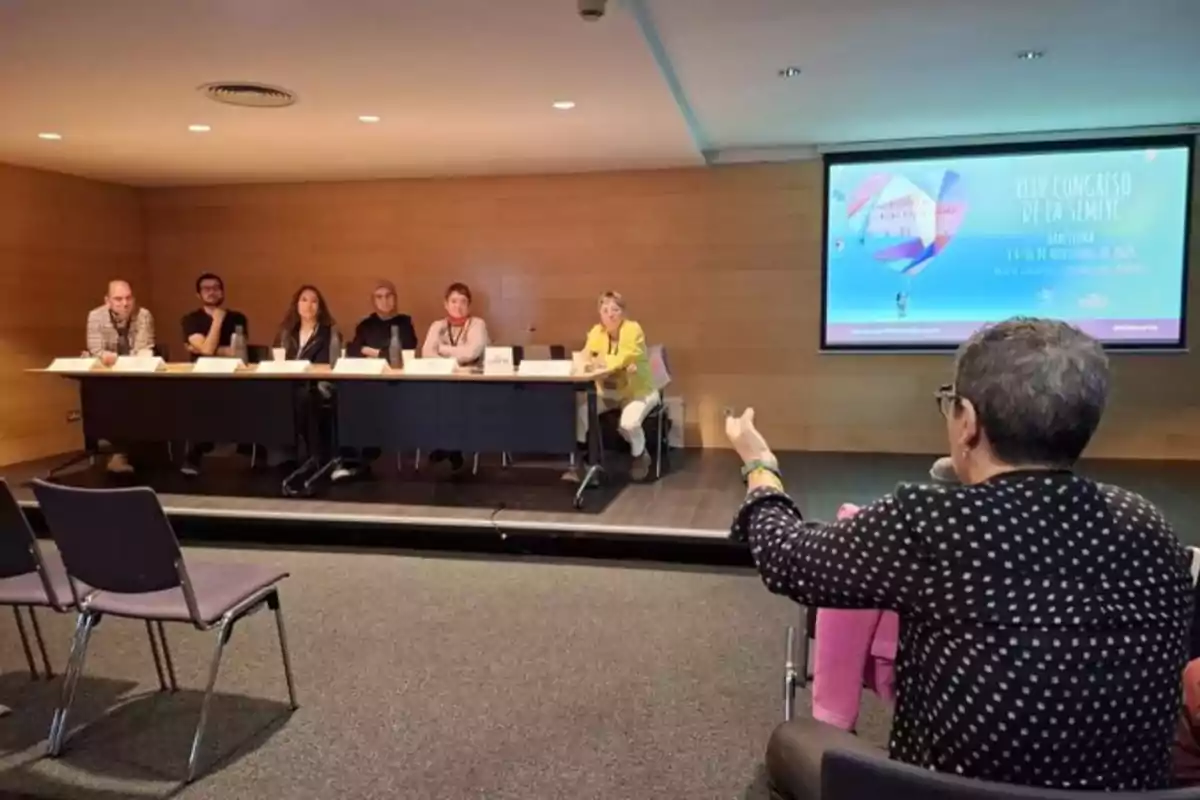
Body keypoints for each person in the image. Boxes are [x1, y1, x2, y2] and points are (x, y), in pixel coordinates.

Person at [726, 317, 1192, 798]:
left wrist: (761, 470)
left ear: (967, 420)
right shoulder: (1149, 527)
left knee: (790, 742)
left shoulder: (930, 521)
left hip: (943, 792)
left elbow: (787, 558)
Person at [564, 291, 659, 482]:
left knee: (628, 424)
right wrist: (591, 361)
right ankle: (584, 462)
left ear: (623, 312)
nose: (610, 314)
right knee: (581, 414)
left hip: (638, 391)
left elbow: (624, 356)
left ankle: (640, 456)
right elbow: (585, 357)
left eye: (615, 309)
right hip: (607, 393)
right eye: (605, 310)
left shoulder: (633, 330)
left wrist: (602, 361)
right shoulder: (596, 332)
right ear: (600, 313)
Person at [333, 280, 419, 483]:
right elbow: (353, 349)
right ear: (373, 301)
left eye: (389, 296)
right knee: (345, 401)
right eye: (379, 297)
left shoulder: (404, 323)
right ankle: (348, 458)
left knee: (371, 405)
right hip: (366, 381)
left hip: (394, 385)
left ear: (395, 299)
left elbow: (406, 351)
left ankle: (361, 458)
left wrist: (372, 351)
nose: (384, 301)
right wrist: (379, 353)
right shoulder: (365, 325)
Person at [180, 272, 253, 476]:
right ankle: (193, 455)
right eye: (206, 288)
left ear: (222, 291)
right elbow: (207, 351)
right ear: (198, 294)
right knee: (194, 401)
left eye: (216, 287)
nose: (212, 292)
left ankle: (250, 450)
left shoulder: (238, 318)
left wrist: (205, 347)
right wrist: (217, 321)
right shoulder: (190, 320)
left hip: (234, 375)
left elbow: (236, 351)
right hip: (202, 377)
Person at [85, 280, 156, 473]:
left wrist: (125, 360)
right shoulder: (96, 316)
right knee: (108, 398)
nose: (124, 304)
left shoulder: (144, 315)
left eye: (128, 298)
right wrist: (105, 357)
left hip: (136, 373)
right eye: (118, 299)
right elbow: (96, 349)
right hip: (107, 376)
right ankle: (119, 452)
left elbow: (144, 348)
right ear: (107, 301)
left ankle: (129, 452)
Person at [421, 282, 489, 472]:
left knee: (455, 398)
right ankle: (449, 446)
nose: (457, 306)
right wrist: (452, 361)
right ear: (445, 304)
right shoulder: (438, 325)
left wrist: (442, 350)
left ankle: (451, 447)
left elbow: (472, 352)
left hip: (473, 382)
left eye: (463, 302)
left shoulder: (477, 324)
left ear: (469, 305)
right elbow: (427, 352)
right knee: (435, 397)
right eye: (453, 301)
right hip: (443, 381)